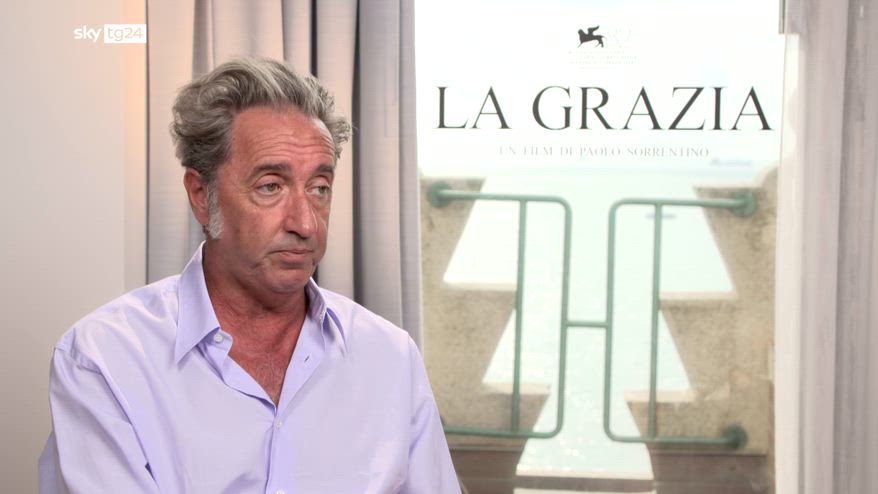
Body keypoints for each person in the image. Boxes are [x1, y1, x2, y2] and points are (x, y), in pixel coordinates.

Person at [38, 57, 461, 494]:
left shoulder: (390, 358)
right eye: (270, 186)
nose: (306, 223)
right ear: (201, 196)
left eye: (319, 188)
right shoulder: (104, 359)